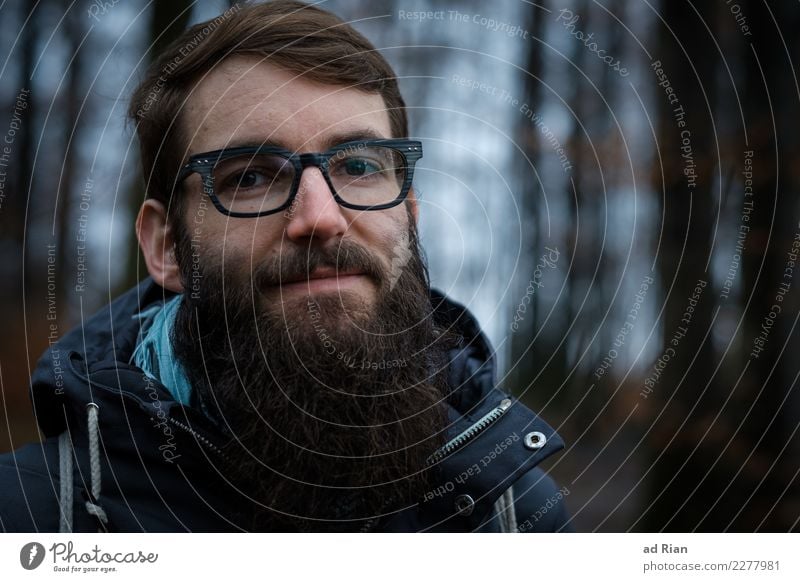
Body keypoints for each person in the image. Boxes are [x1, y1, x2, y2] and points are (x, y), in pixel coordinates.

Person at [0, 0, 571, 533]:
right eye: (248, 176)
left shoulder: (516, 518)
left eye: (360, 166)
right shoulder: (33, 517)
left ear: (410, 215)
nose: (321, 218)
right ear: (166, 247)